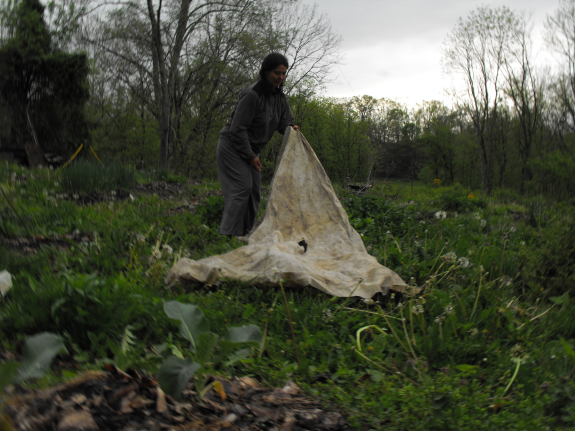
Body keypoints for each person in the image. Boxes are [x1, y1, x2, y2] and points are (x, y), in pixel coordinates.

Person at [216, 52, 298, 237]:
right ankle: (228, 236)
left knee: (254, 192)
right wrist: (251, 156)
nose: (281, 77)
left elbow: (285, 122)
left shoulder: (279, 97)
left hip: (251, 149)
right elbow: (237, 130)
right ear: (266, 71)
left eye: (284, 73)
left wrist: (292, 128)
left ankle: (245, 234)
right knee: (241, 188)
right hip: (232, 146)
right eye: (277, 73)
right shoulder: (253, 94)